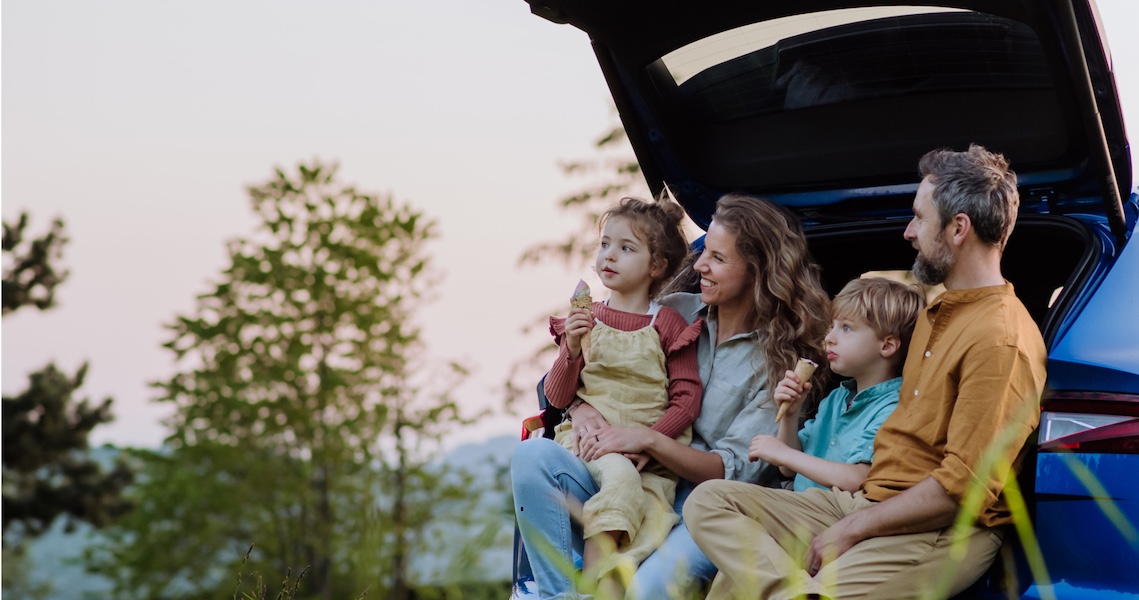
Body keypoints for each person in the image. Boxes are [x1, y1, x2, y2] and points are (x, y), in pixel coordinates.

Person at [684, 144, 1048, 600]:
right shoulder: (939, 313)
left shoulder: (1001, 338)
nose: (908, 231)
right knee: (711, 501)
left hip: (935, 529)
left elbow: (963, 491)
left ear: (959, 229)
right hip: (865, 501)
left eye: (919, 217)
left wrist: (855, 528)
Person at [510, 193, 832, 600]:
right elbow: (598, 372)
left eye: (716, 258)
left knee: (644, 592)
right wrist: (581, 406)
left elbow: (731, 471)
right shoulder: (673, 311)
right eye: (703, 253)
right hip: (623, 479)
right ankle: (557, 595)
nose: (698, 266)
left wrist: (648, 440)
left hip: (701, 509)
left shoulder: (779, 363)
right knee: (531, 456)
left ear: (755, 271)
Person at [543, 196, 703, 590]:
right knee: (620, 481)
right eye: (604, 244)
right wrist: (573, 349)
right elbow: (558, 397)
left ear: (657, 266)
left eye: (626, 248)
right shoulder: (587, 319)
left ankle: (612, 585)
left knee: (648, 530)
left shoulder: (666, 324)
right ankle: (593, 583)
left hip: (651, 456)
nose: (608, 256)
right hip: (592, 445)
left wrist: (648, 444)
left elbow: (687, 399)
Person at [748, 277, 925, 494]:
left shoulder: (893, 407)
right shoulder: (837, 399)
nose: (830, 337)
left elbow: (858, 479)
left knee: (713, 497)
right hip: (800, 505)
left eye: (847, 328)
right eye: (832, 327)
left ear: (887, 345)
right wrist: (790, 415)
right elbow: (787, 470)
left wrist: (783, 453)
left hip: (837, 514)